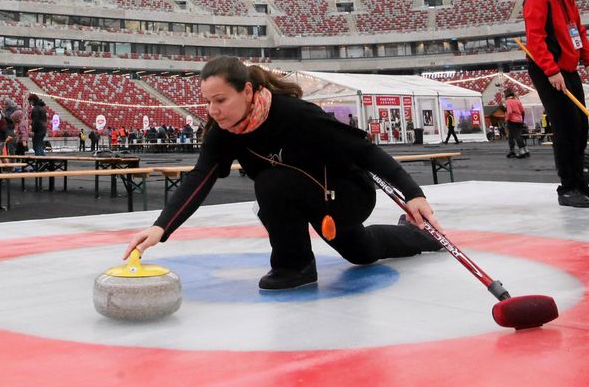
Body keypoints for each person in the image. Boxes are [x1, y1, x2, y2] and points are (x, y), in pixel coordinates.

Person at [124, 57, 443, 291]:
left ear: (247, 91)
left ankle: (298, 265)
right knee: (361, 252)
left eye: (220, 100)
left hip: (345, 192)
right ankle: (414, 238)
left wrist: (413, 193)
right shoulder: (223, 131)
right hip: (300, 199)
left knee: (273, 183)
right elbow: (200, 177)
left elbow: (364, 151)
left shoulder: (296, 114)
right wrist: (161, 227)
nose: (213, 110)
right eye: (208, 102)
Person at [523, 0, 589, 208]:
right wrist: (550, 70)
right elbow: (535, 39)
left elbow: (577, 30)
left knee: (580, 127)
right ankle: (567, 187)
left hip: (568, 69)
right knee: (565, 128)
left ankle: (581, 182)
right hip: (548, 69)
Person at [504, 90, 528, 159]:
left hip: (512, 121)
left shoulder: (508, 101)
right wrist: (522, 120)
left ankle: (521, 152)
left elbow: (509, 112)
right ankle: (525, 150)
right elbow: (523, 111)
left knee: (516, 136)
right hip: (519, 120)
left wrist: (507, 119)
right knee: (515, 135)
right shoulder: (517, 100)